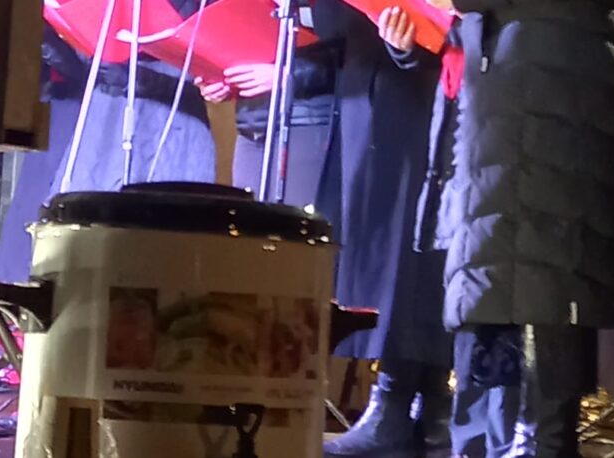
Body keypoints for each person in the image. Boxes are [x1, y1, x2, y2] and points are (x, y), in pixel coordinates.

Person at [440, 0, 614, 455]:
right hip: (517, 71)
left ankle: (530, 439)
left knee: (543, 279)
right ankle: (502, 441)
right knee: (502, 280)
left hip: (545, 75)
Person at [305, 1, 451, 457]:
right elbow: (331, 22)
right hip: (368, 83)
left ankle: (409, 403)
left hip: (429, 84)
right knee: (385, 248)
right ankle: (415, 406)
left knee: (415, 248)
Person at [374, 5, 519, 456]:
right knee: (469, 305)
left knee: (497, 315)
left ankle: (496, 442)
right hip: (458, 151)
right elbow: (446, 57)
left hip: (507, 155)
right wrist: (407, 46)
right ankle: (466, 440)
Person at [49, 0, 217, 194]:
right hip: (108, 100)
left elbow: (212, 44)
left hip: (172, 105)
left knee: (166, 199)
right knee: (92, 195)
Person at [0, 26, 89, 284]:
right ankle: (16, 287)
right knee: (32, 202)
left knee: (53, 199)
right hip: (56, 103)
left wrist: (43, 36)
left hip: (83, 106)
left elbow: (87, 65)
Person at [194, 39, 338, 207]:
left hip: (303, 121)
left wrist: (287, 75)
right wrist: (223, 81)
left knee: (293, 215)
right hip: (251, 125)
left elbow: (347, 55)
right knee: (247, 215)